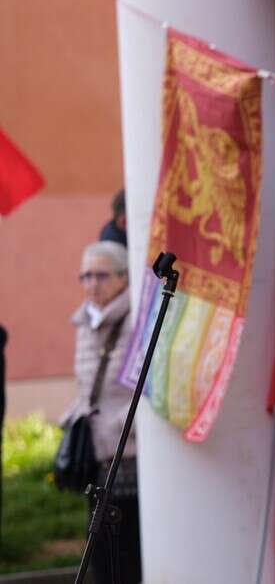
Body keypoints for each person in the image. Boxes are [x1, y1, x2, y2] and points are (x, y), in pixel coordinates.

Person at [62, 240, 141, 583]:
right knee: (98, 545)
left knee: (124, 544)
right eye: (86, 275)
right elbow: (86, 385)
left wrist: (120, 425)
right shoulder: (86, 321)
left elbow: (144, 387)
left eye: (102, 275)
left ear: (124, 278)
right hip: (96, 451)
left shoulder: (135, 319)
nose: (92, 284)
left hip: (128, 453)